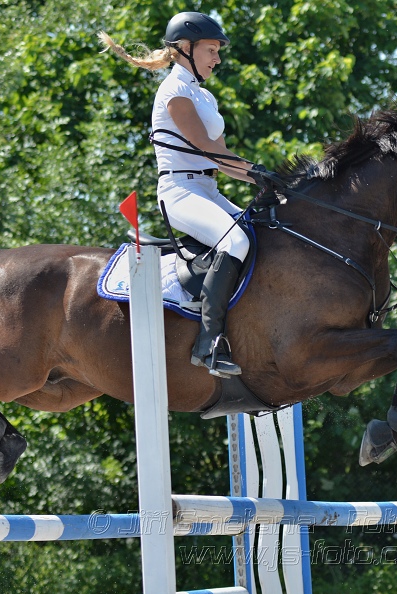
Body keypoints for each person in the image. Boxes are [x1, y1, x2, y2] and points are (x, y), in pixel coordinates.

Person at [99, 12, 256, 378]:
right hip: (180, 191)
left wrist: (267, 178)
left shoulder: (204, 96)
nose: (217, 58)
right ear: (185, 48)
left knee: (259, 231)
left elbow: (223, 159)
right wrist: (257, 174)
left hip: (207, 187)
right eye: (212, 49)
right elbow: (203, 146)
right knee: (234, 242)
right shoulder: (174, 91)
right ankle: (209, 343)